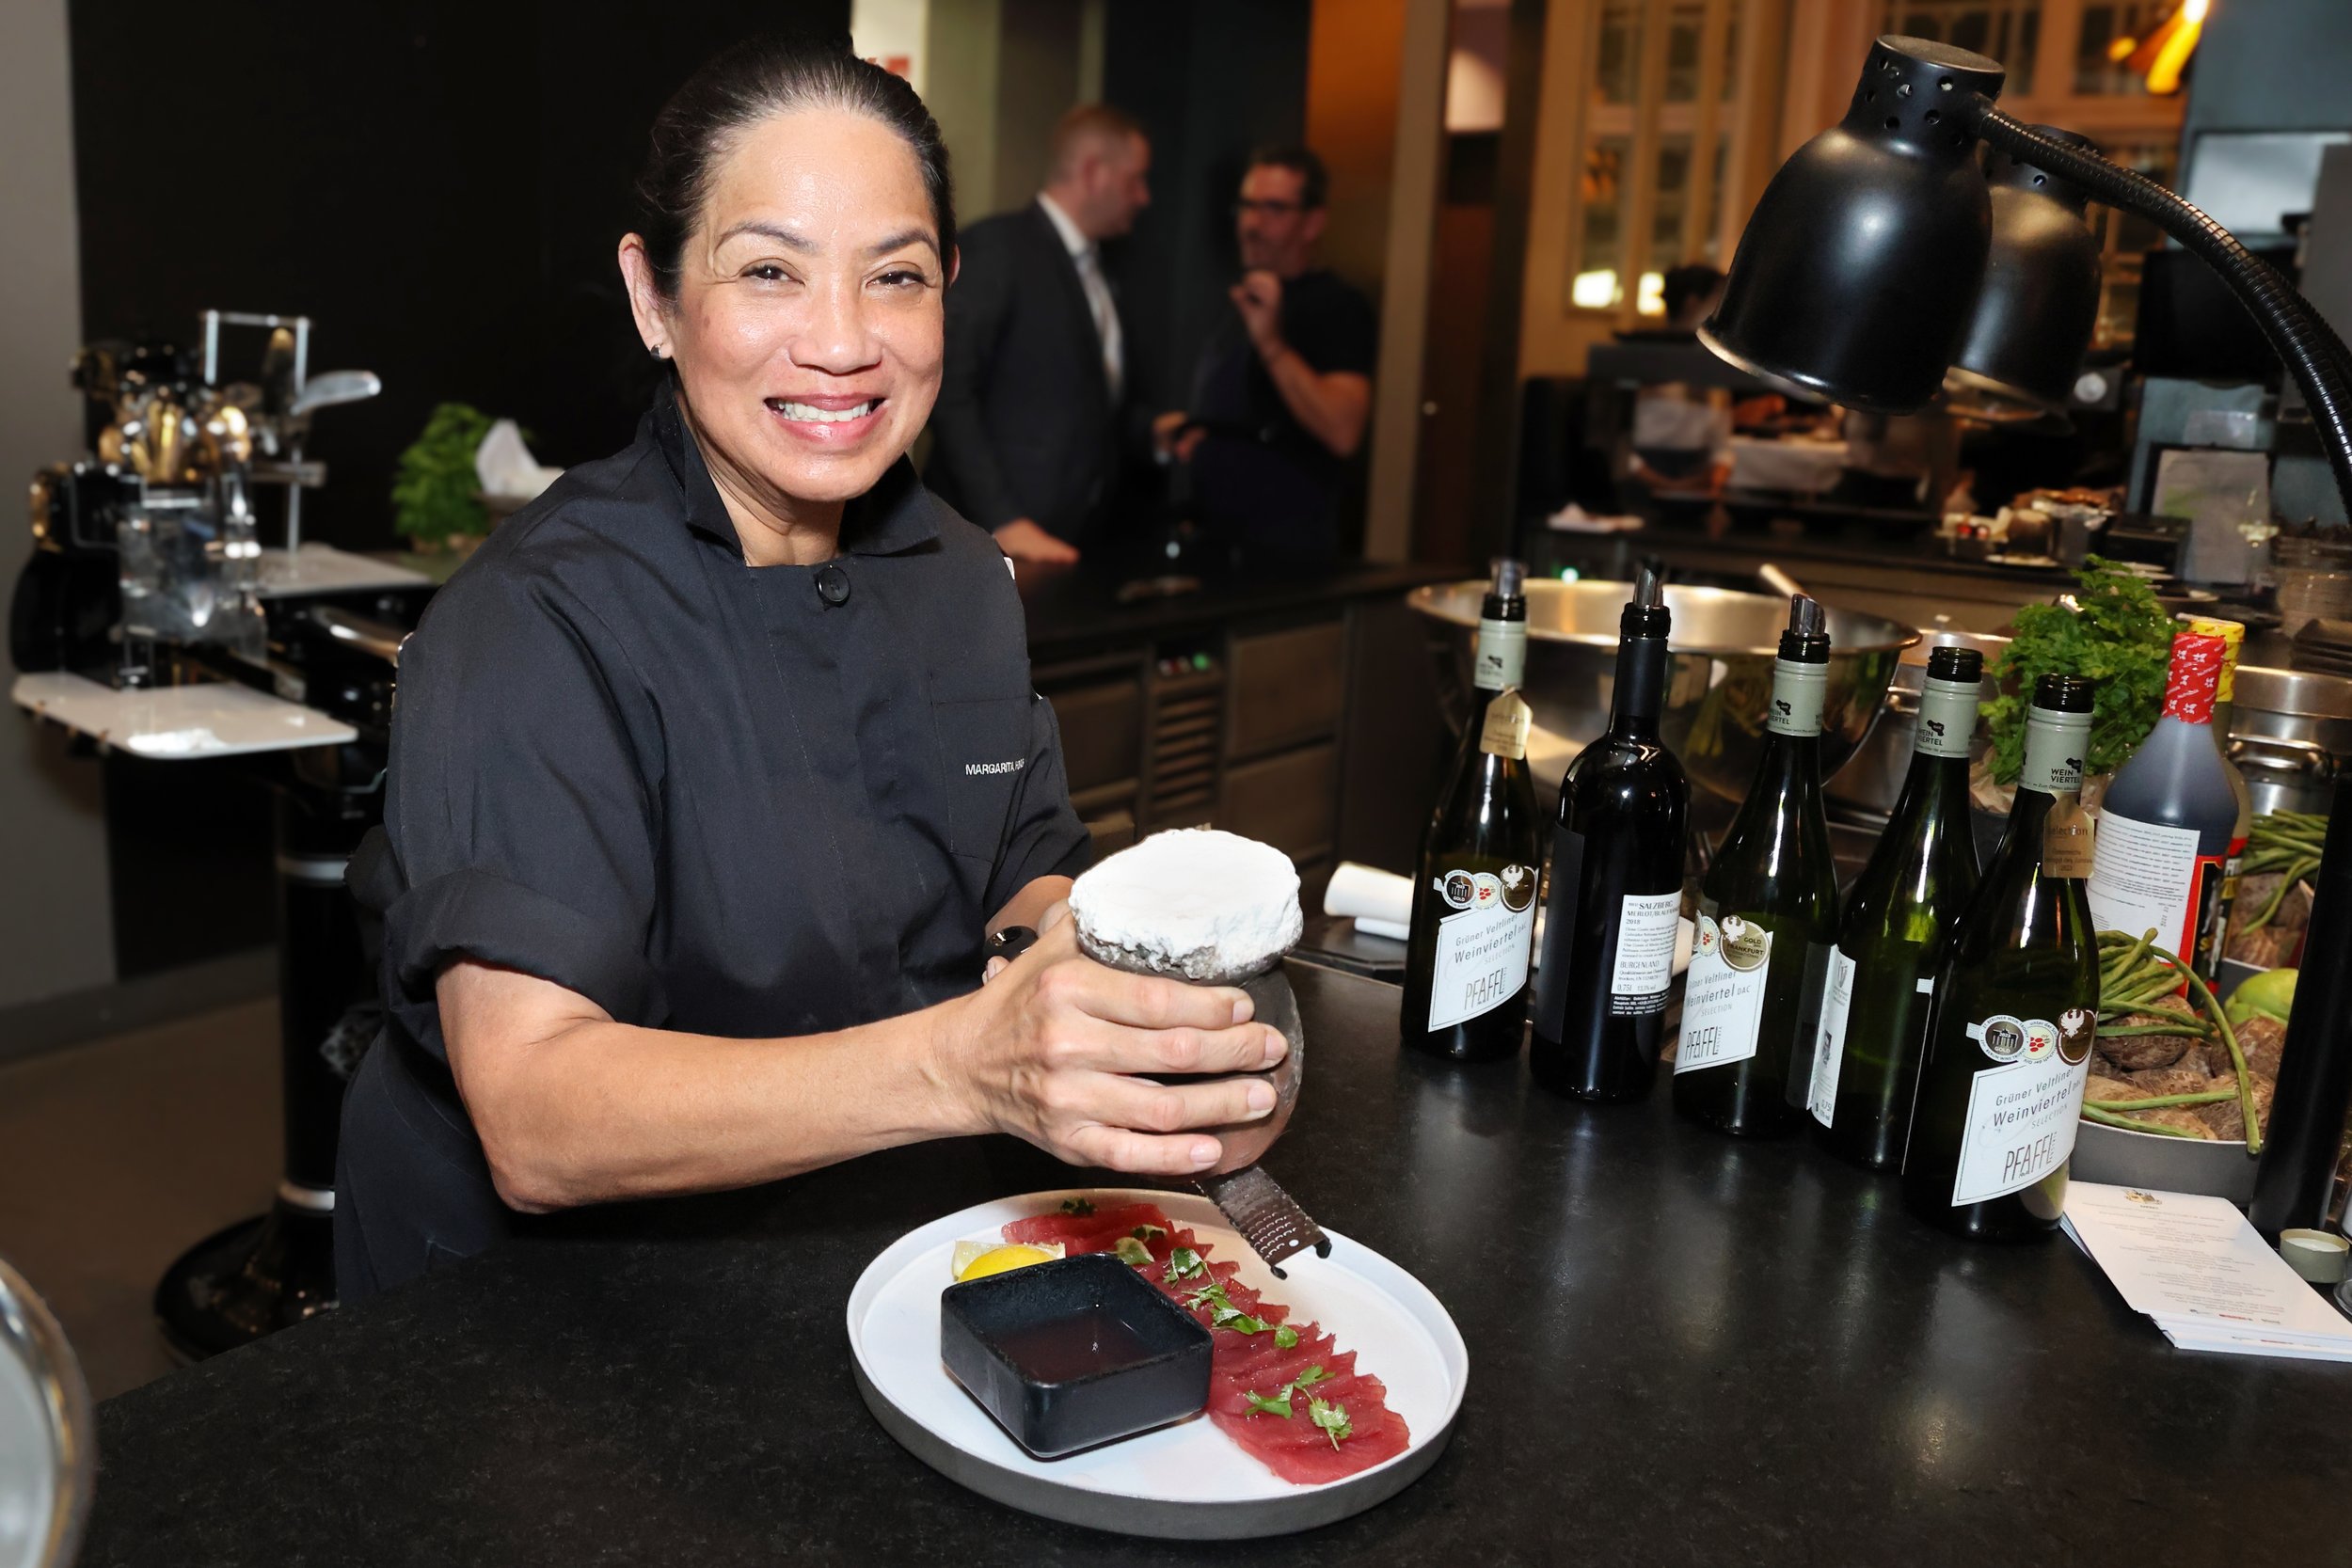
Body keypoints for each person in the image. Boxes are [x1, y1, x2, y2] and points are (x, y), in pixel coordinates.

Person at [335, 38, 1286, 1300]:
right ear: (654, 296)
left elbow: (1019, 861)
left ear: (949, 281)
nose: (842, 343)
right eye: (770, 270)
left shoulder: (958, 573)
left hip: (857, 1252)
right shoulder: (533, 619)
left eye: (894, 275)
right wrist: (968, 1061)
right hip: (533, 1316)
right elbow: (536, 1110)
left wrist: (1096, 990)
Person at [926, 105, 1152, 565]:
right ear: (1094, 172)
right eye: (1134, 180)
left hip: (1076, 542)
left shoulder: (1099, 268)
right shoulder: (999, 248)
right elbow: (946, 387)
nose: (1143, 197)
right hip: (992, 548)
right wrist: (1003, 519)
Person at [1155, 146, 1375, 564]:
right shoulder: (1238, 302)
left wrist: (1272, 345)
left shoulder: (1337, 305)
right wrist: (1203, 431)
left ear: (1313, 222)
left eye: (1274, 208)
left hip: (1284, 556)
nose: (1253, 224)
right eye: (1247, 206)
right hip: (1213, 546)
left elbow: (1343, 430)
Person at [1620, 262, 1736, 499]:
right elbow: (1618, 447)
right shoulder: (1647, 361)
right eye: (1717, 300)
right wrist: (1668, 486)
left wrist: (1713, 478)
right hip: (1640, 487)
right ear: (1691, 303)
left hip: (1697, 488)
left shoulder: (1713, 367)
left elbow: (1722, 446)